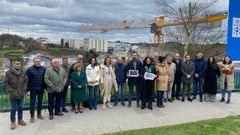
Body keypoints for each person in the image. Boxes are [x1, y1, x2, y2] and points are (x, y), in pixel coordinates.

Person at [4, 58, 28, 130]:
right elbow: (5, 83)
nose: (19, 65)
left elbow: (26, 81)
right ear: (13, 64)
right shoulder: (8, 73)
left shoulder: (23, 72)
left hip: (21, 93)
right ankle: (13, 122)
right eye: (17, 64)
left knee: (20, 107)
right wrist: (11, 91)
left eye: (19, 64)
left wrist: (24, 89)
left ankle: (20, 120)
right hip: (13, 94)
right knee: (13, 108)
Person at [26, 57, 46, 123]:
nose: (38, 62)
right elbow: (27, 80)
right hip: (32, 89)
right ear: (34, 62)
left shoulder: (43, 69)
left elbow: (44, 79)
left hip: (41, 88)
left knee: (40, 102)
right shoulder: (29, 69)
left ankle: (39, 114)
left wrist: (45, 87)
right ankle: (32, 116)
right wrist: (27, 90)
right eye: (36, 61)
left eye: (39, 61)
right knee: (32, 103)